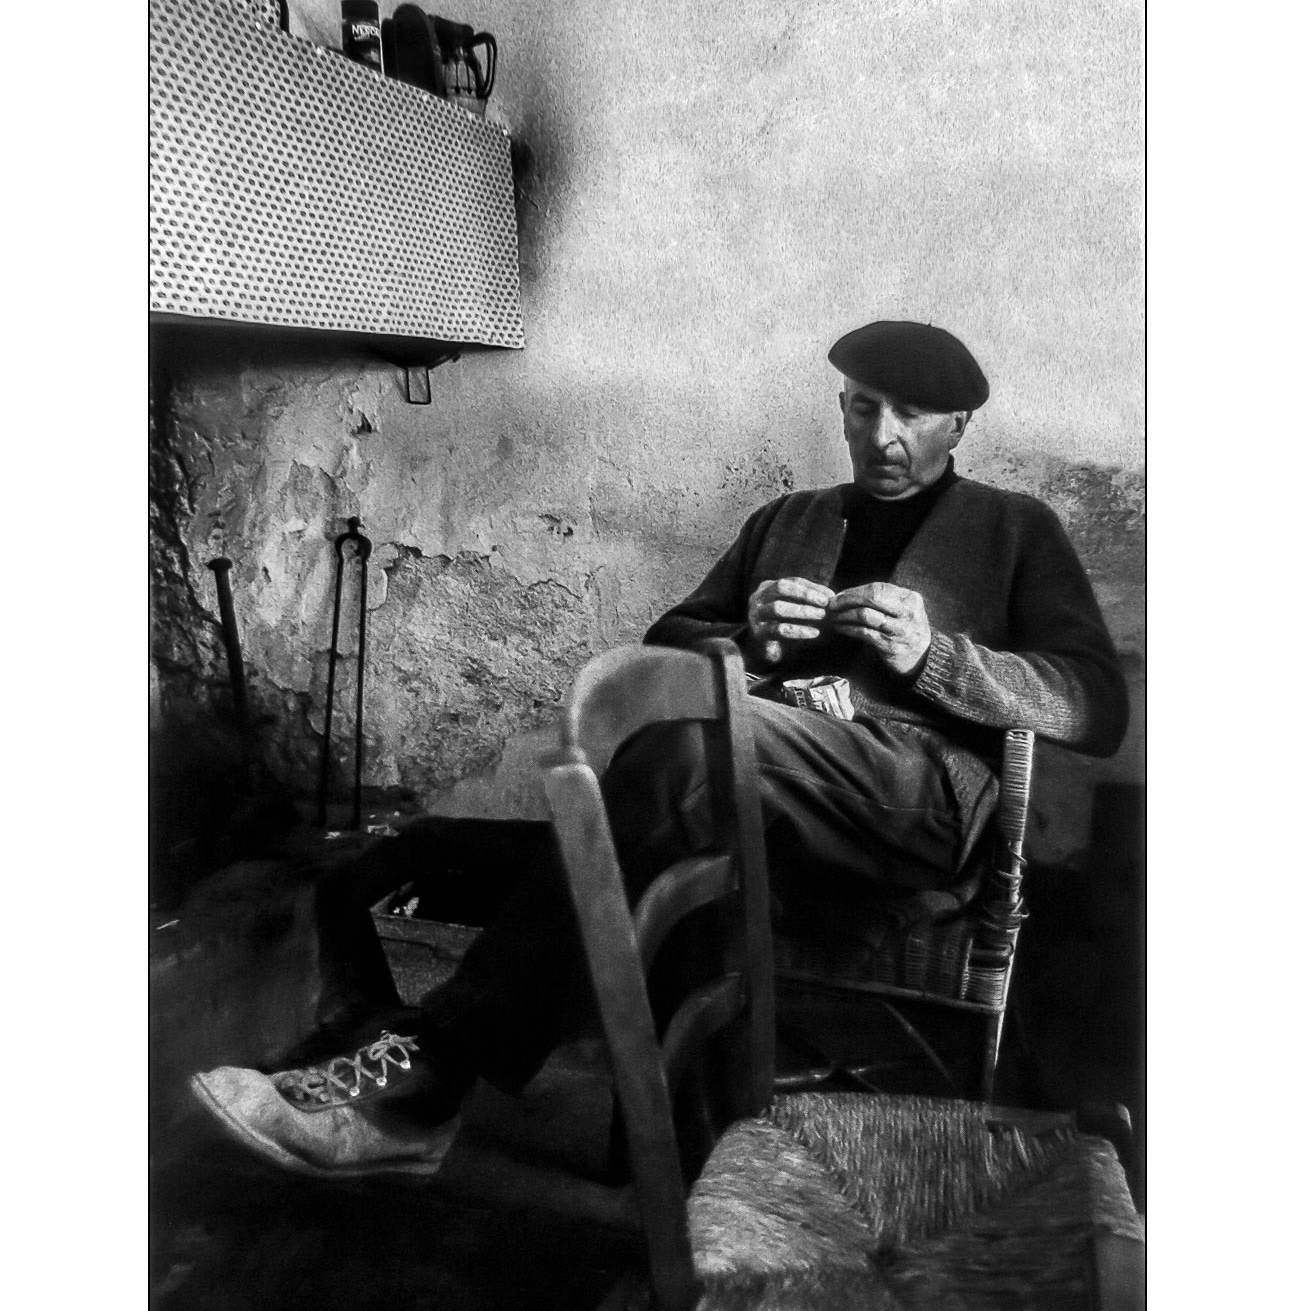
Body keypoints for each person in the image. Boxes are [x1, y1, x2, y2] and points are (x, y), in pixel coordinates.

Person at [189, 321, 1128, 1176]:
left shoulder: (1014, 528)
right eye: (863, 407)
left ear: (957, 426)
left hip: (914, 797)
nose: (882, 435)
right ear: (841, 406)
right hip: (749, 789)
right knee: (428, 849)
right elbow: (671, 638)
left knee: (680, 760)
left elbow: (1093, 703)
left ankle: (428, 1083)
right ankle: (394, 1062)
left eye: (912, 415)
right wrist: (750, 639)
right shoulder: (789, 519)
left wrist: (933, 657)